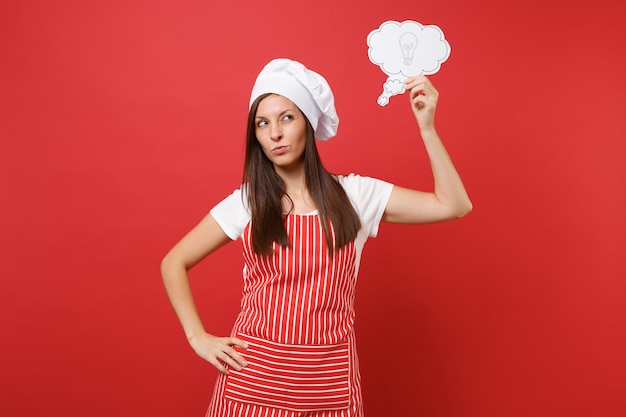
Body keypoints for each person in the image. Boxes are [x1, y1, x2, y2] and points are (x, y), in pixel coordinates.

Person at [161, 58, 472, 417]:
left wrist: (427, 129)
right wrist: (197, 337)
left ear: (308, 124)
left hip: (328, 391)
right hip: (251, 385)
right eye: (263, 124)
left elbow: (453, 205)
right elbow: (173, 262)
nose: (275, 133)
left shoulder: (356, 195)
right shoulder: (247, 202)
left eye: (287, 118)